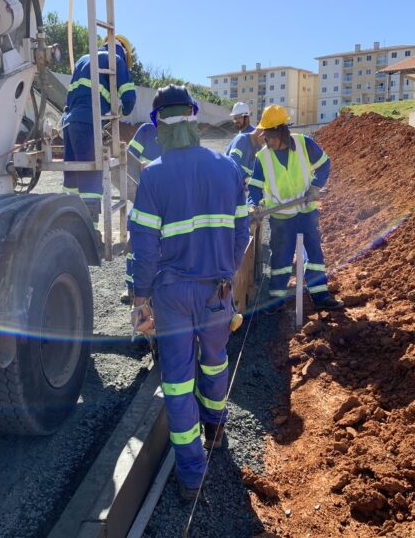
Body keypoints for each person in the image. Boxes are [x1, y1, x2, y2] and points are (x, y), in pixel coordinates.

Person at [129, 85, 250, 501]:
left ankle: (192, 474)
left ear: (158, 124)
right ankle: (215, 426)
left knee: (178, 383)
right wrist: (226, 274)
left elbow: (144, 249)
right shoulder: (228, 169)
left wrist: (140, 300)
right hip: (216, 290)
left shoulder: (153, 175)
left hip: (171, 296)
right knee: (215, 363)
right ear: (194, 119)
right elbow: (241, 234)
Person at [247, 104, 344, 312]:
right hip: (280, 216)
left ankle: (320, 295)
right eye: (266, 136)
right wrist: (252, 206)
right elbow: (255, 187)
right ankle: (276, 300)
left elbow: (324, 164)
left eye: (271, 136)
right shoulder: (262, 157)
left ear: (283, 131)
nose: (268, 140)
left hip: (306, 210)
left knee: (314, 253)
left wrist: (316, 186)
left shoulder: (304, 144)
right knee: (281, 258)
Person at [62, 35, 137, 222]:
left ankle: (69, 220)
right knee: (91, 175)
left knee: (72, 175)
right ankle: (91, 230)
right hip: (89, 122)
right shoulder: (115, 60)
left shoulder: (83, 59)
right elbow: (128, 95)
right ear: (124, 53)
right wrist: (123, 110)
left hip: (69, 123)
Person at [122, 122, 162, 304]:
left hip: (166, 202)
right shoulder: (146, 131)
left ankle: (156, 288)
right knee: (135, 244)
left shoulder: (181, 135)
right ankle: (130, 286)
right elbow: (129, 158)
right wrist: (140, 166)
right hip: (145, 199)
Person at [225, 102, 256, 179]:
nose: (236, 120)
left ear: (247, 117)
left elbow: (233, 160)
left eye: (239, 117)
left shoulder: (253, 135)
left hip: (245, 181)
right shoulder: (241, 134)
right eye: (235, 118)